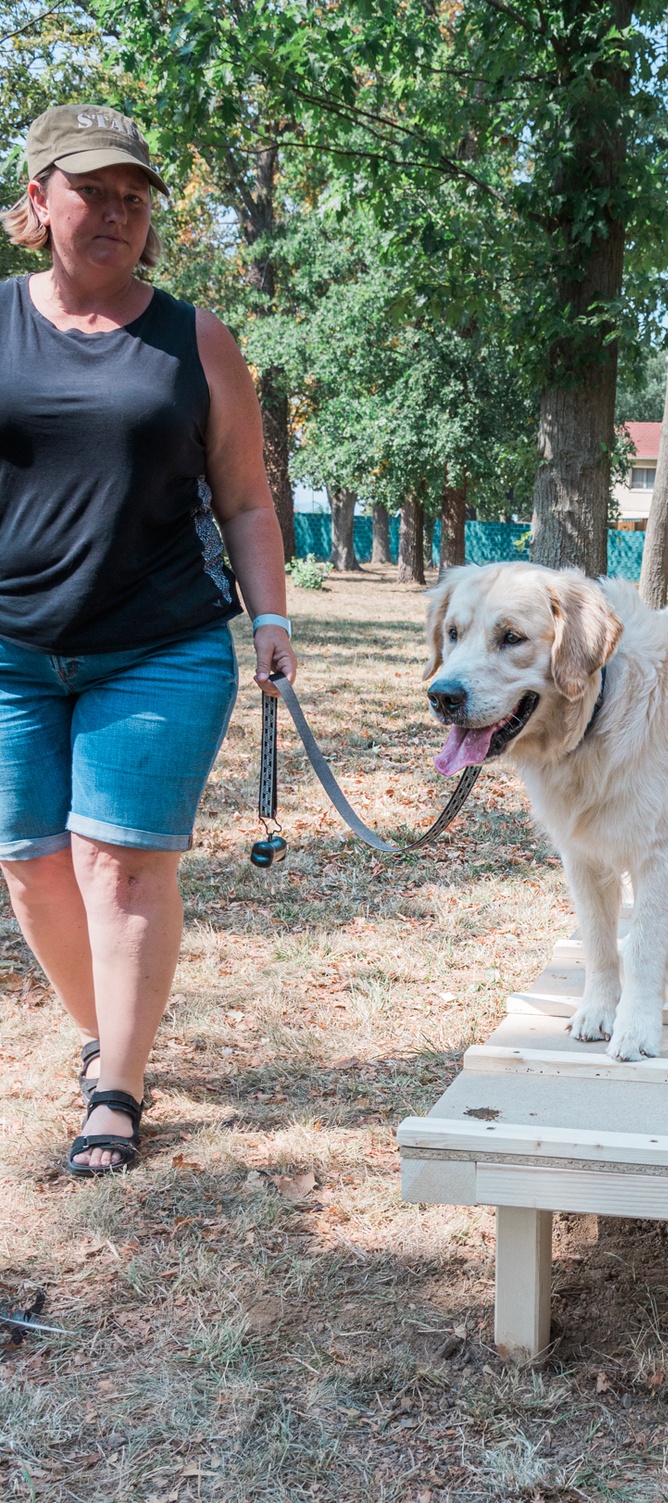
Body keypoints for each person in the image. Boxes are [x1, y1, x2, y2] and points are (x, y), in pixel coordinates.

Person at [0, 104, 296, 1176]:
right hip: (9, 653)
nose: (117, 213)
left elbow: (248, 500)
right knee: (32, 868)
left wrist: (268, 616)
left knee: (117, 867)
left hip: (158, 642)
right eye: (92, 191)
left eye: (135, 197)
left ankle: (115, 1090)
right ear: (38, 201)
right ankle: (107, 1036)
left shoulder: (194, 340)